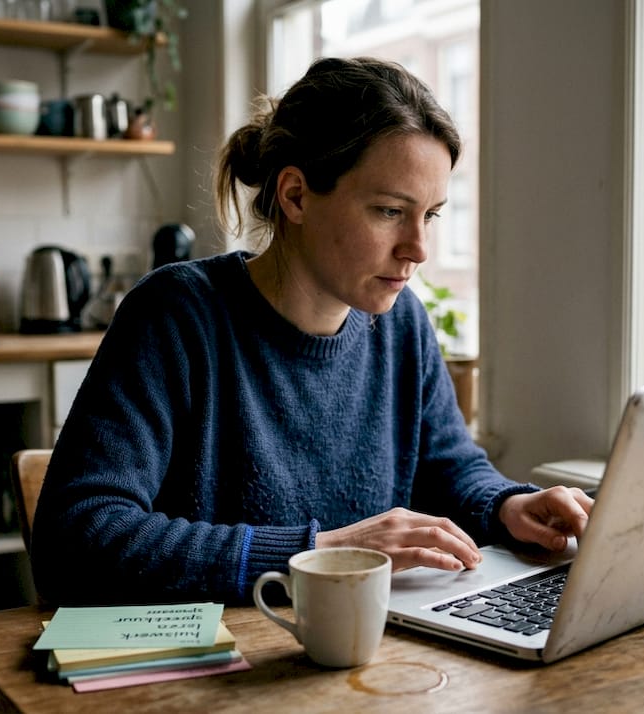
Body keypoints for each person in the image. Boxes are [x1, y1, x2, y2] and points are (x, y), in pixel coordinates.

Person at [31, 57, 593, 606]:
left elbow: (450, 468)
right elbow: (76, 537)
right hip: (214, 677)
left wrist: (505, 506)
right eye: (389, 211)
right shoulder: (176, 316)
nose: (418, 250)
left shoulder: (402, 323)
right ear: (295, 195)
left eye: (432, 215)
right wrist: (321, 554)